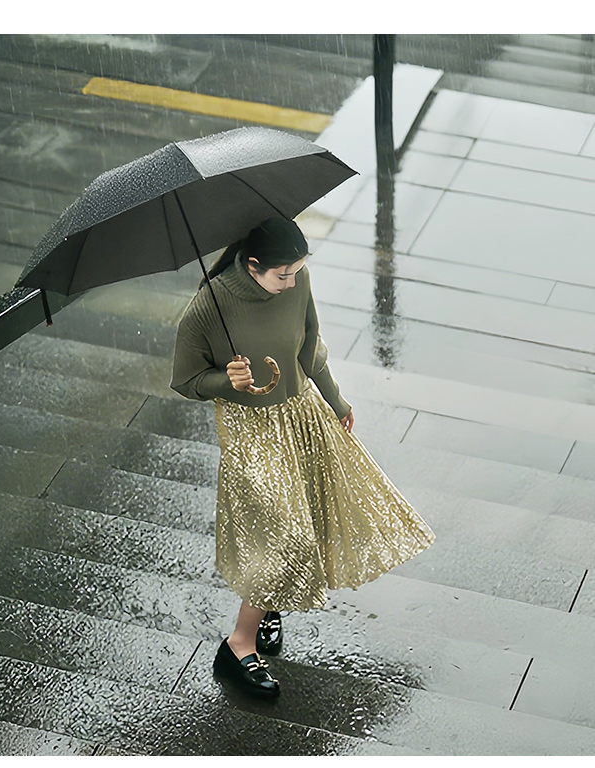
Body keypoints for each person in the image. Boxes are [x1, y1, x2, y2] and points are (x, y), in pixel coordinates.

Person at [171, 212, 434, 703]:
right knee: (284, 535)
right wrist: (227, 380)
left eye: (297, 271)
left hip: (301, 415)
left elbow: (309, 348)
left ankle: (266, 604)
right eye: (282, 275)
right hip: (251, 432)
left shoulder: (298, 280)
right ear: (252, 266)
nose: (291, 282)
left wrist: (336, 400)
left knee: (307, 512)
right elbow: (186, 380)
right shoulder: (208, 306)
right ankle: (238, 645)